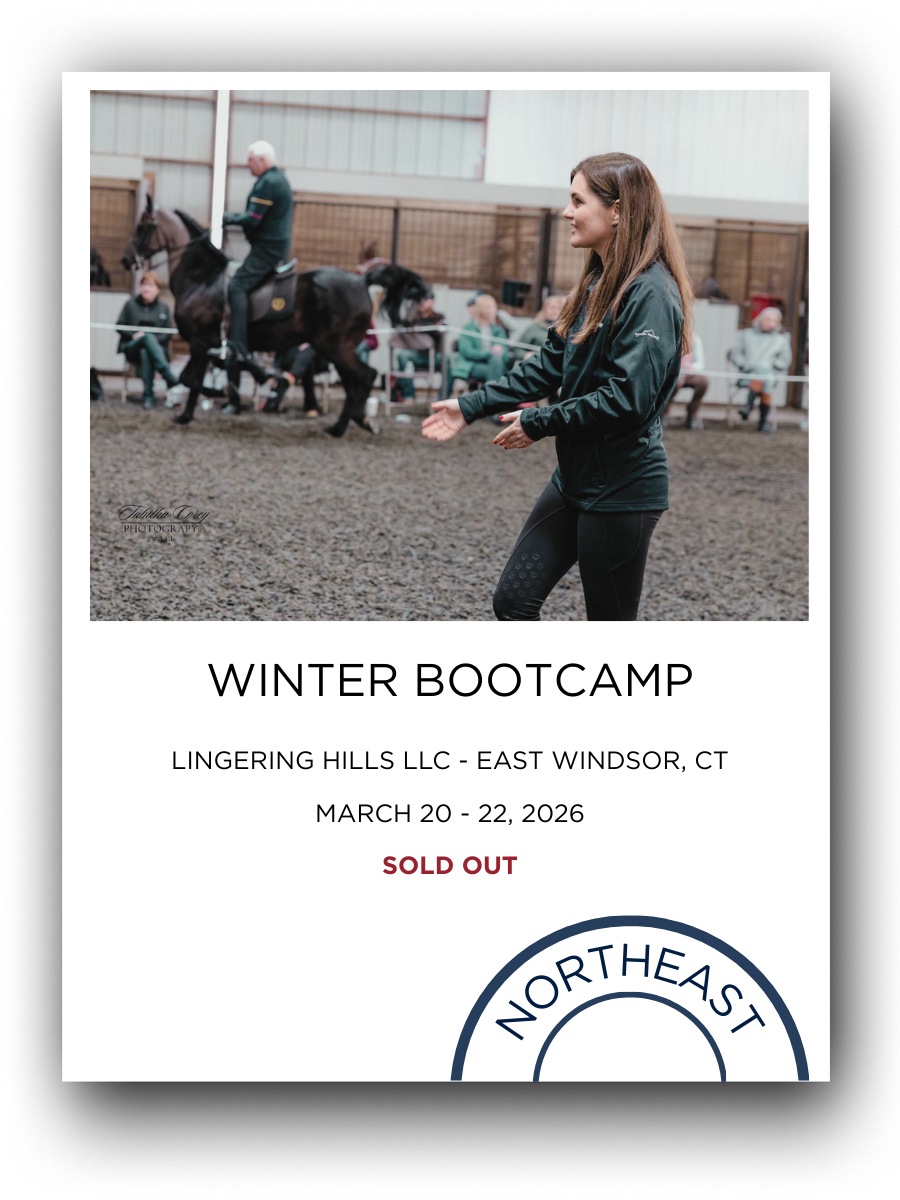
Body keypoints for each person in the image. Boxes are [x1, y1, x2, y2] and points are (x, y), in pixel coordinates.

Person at [422, 152, 692, 622]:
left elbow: (628, 400)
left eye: (577, 201)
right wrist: (470, 405)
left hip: (622, 490)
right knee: (513, 602)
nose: (567, 212)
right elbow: (550, 365)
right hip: (574, 479)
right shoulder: (597, 281)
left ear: (617, 210)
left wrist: (539, 421)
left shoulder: (650, 292)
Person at [223, 140, 294, 366]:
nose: (247, 164)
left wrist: (229, 218)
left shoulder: (269, 182)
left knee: (237, 285)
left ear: (262, 160)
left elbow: (253, 219)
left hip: (268, 248)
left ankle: (238, 345)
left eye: (250, 160)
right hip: (273, 246)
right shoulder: (276, 180)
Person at [115, 271, 178, 409]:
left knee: (146, 349)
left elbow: (168, 334)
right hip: (132, 347)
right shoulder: (130, 304)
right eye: (144, 285)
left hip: (155, 351)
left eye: (150, 285)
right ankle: (168, 376)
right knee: (146, 337)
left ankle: (148, 396)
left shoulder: (164, 308)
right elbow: (119, 326)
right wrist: (134, 335)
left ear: (157, 289)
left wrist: (151, 341)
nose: (146, 289)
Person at [728, 307, 792, 433]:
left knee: (764, 370)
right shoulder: (746, 334)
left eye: (774, 320)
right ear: (760, 319)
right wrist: (746, 365)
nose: (770, 323)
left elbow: (785, 360)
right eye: (767, 319)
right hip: (747, 375)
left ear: (778, 323)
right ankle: (763, 421)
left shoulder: (781, 340)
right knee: (765, 377)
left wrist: (769, 365)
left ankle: (748, 405)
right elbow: (735, 353)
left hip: (769, 374)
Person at [391, 290, 446, 401]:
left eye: (425, 300)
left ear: (432, 302)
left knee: (448, 360)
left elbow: (440, 331)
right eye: (420, 300)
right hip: (416, 355)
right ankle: (409, 395)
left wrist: (423, 328)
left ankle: (443, 398)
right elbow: (404, 328)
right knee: (402, 355)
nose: (422, 302)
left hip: (434, 356)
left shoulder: (439, 317)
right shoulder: (413, 317)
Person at [450, 293, 510, 391]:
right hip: (472, 364)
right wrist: (489, 352)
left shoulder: (498, 330)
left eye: (492, 307)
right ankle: (493, 394)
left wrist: (499, 352)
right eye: (487, 307)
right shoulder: (468, 328)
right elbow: (466, 352)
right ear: (479, 309)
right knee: (495, 370)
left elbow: (505, 355)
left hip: (494, 363)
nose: (491, 310)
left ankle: (489, 394)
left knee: (496, 360)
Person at [663, 332, 709, 430]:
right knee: (675, 383)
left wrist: (692, 368)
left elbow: (700, 361)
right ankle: (664, 412)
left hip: (689, 372)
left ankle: (692, 414)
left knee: (704, 382)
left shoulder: (695, 339)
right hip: (673, 372)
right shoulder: (669, 335)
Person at [510, 294, 567, 364]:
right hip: (536, 363)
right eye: (552, 307)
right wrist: (526, 355)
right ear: (545, 309)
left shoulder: (567, 331)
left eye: (559, 308)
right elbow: (517, 349)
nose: (555, 311)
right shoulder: (534, 328)